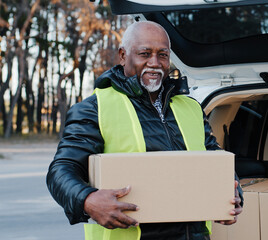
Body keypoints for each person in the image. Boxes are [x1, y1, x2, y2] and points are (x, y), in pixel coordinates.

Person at [46, 21, 243, 240]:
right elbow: (61, 171)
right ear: (123, 56)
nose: (154, 63)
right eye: (144, 53)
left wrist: (232, 192)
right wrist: (87, 200)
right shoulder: (95, 108)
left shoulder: (191, 107)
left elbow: (215, 159)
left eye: (163, 55)